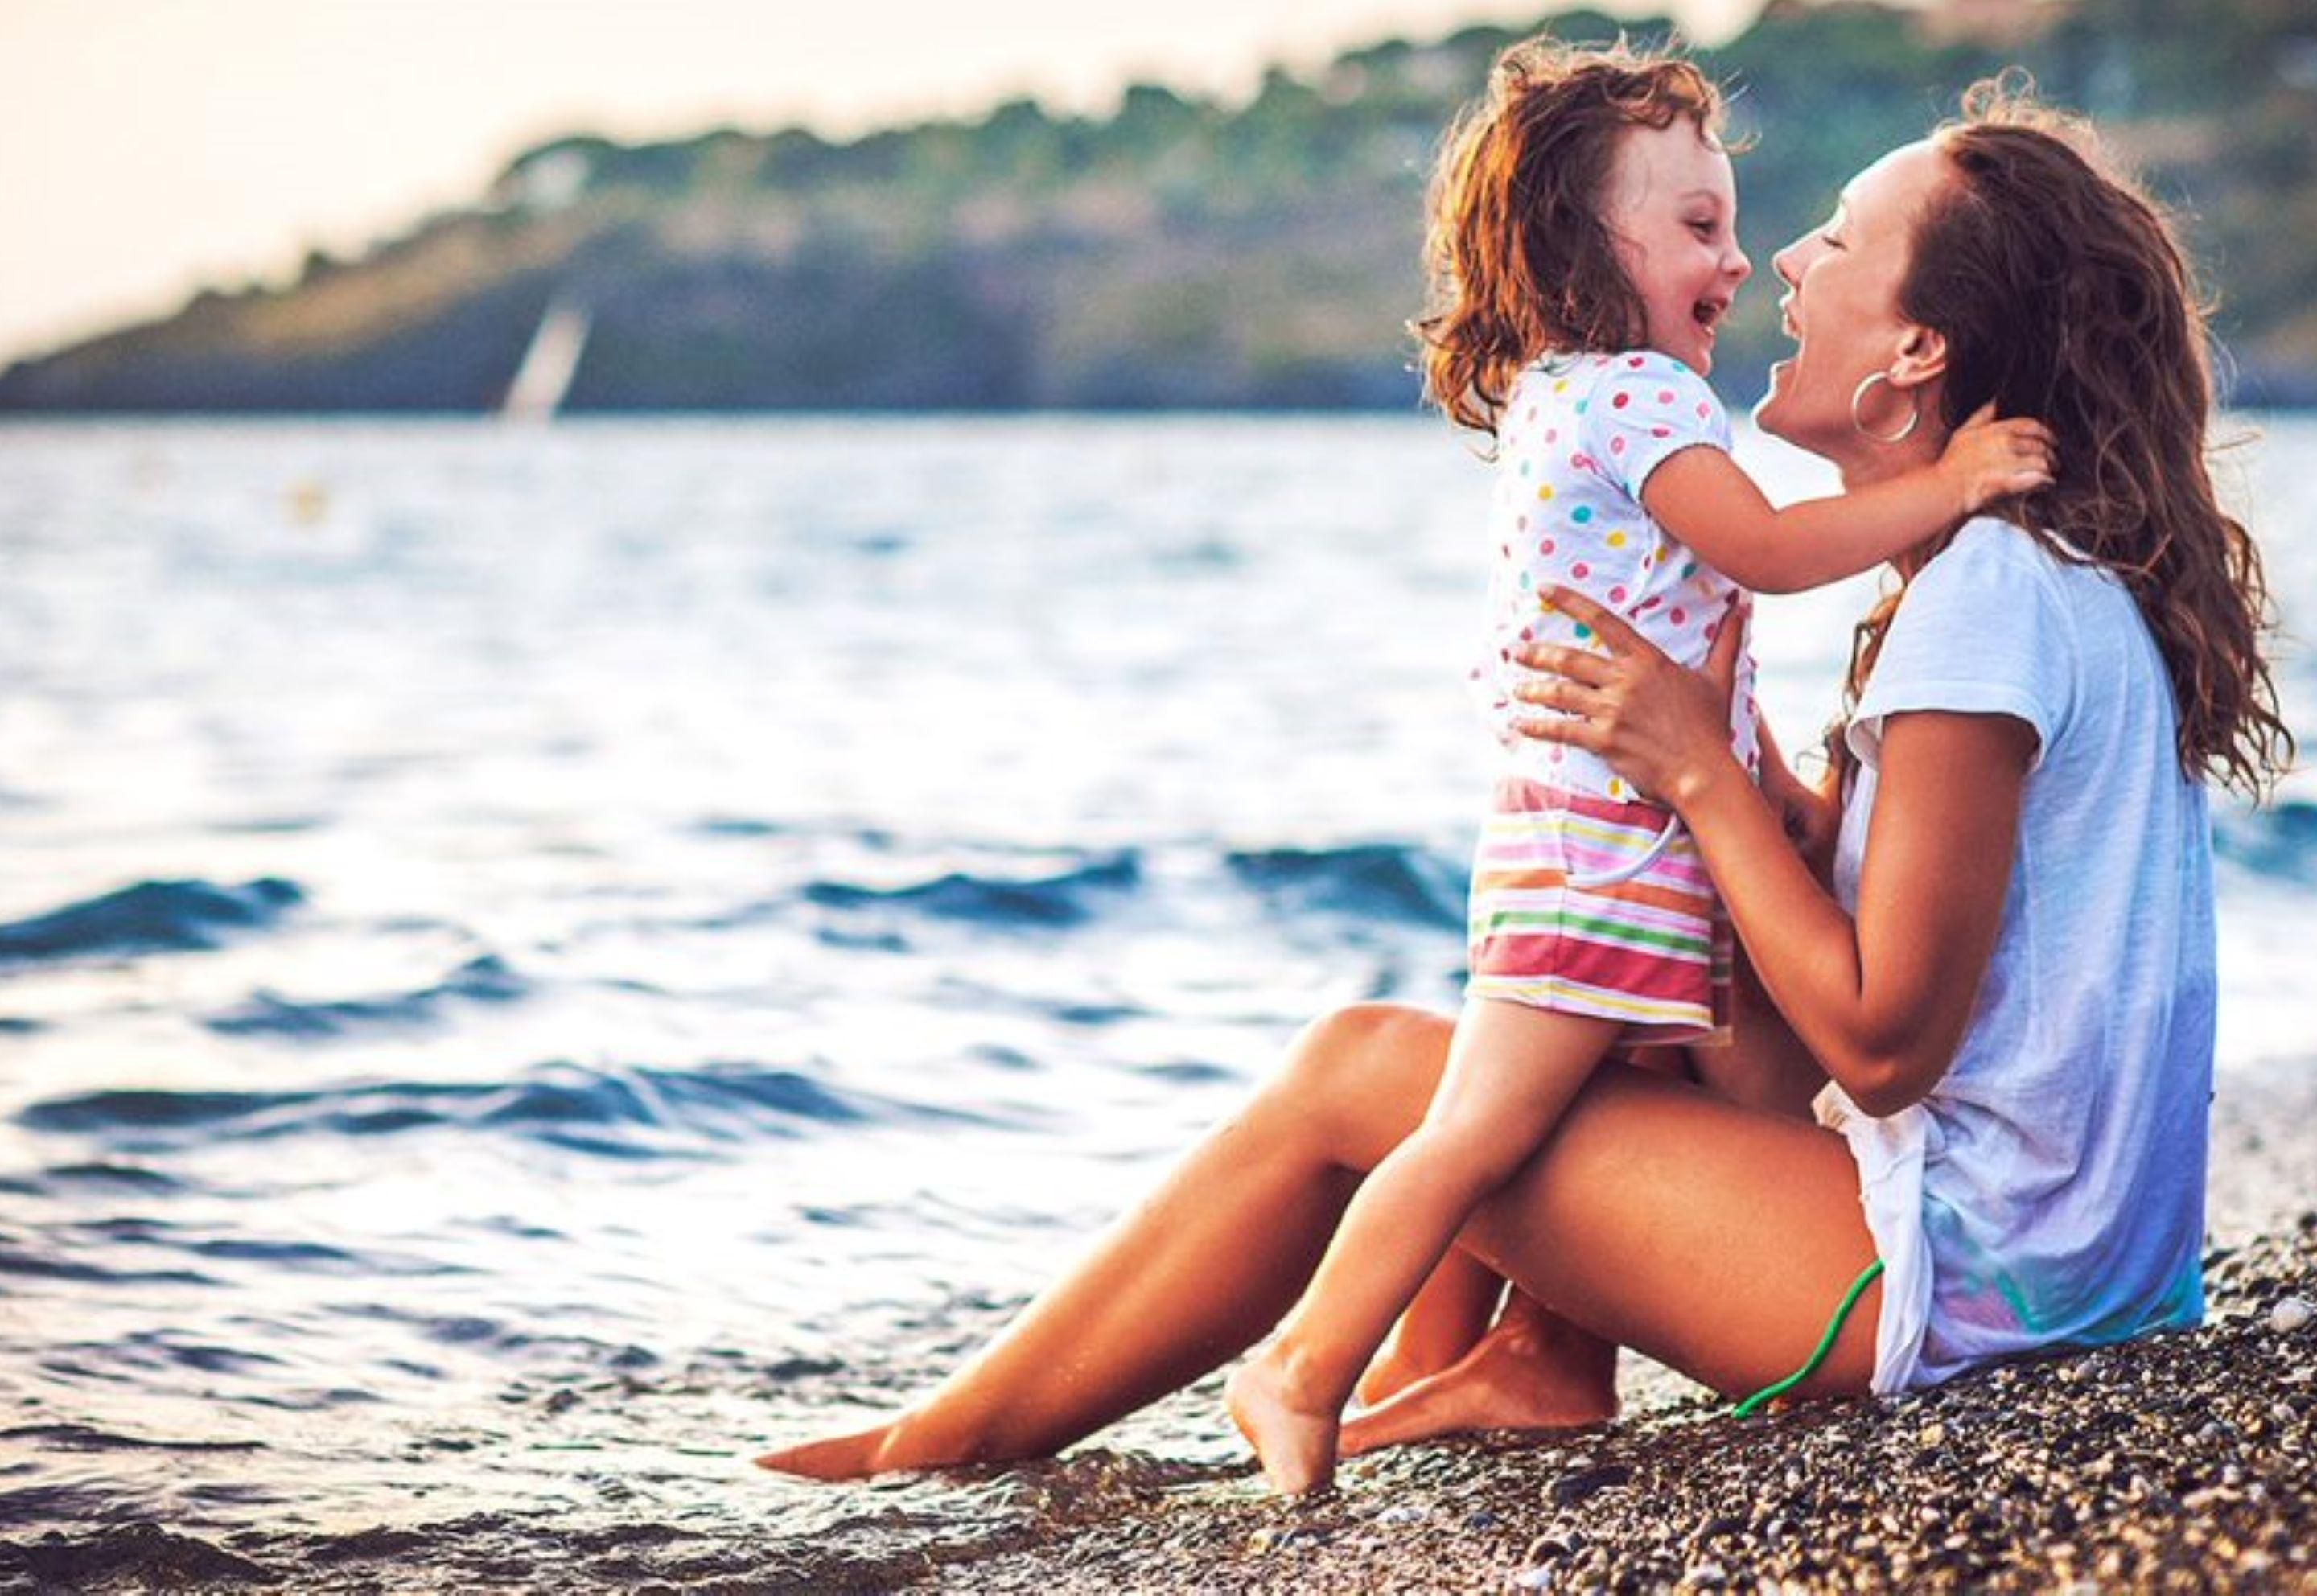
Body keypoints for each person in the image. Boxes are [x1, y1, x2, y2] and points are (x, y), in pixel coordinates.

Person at [756, 78, 2290, 1487]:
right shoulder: (2020, 581)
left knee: (1364, 1070)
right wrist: (1738, 775)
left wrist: (1695, 773)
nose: (1785, 266)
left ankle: (937, 1453)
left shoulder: (1989, 599)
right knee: (1599, 979)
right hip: (2039, 1263)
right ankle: (1520, 1371)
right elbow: (1922, 923)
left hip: (1962, 1289)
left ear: (1919, 352)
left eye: (1834, 237)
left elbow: (1887, 1044)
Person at [1224, 39, 2052, 1495]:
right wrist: (1953, 482)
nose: (1737, 260)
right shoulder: (1643, 404)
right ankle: (1300, 1371)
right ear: (1577, 246)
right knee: (1478, 1131)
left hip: (1615, 837)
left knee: (1631, 1110)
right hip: (1611, 853)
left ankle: (1536, 1370)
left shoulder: (1567, 395)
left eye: (1729, 225)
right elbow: (1772, 553)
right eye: (1695, 229)